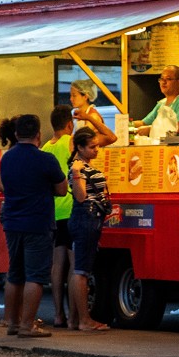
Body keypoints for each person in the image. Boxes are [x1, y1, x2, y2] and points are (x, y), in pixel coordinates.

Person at [0, 114, 67, 337]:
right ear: (38, 134)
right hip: (38, 222)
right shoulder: (46, 160)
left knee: (14, 274)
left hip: (13, 223)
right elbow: (62, 190)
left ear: (16, 134)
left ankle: (12, 322)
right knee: (35, 276)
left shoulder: (7, 158)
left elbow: (2, 185)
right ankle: (28, 325)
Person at [66, 126, 111, 332]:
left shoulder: (82, 166)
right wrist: (76, 173)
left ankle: (75, 319)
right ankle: (84, 320)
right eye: (92, 147)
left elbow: (110, 137)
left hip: (86, 218)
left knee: (80, 269)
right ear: (80, 148)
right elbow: (81, 196)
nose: (96, 150)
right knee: (81, 271)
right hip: (86, 218)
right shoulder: (78, 168)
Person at [43, 105, 75, 328]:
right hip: (71, 208)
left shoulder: (45, 148)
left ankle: (58, 314)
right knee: (75, 266)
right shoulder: (70, 142)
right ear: (69, 125)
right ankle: (75, 315)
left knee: (57, 265)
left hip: (53, 212)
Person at [133, 65, 179, 138]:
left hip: (177, 147)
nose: (163, 82)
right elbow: (143, 123)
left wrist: (151, 129)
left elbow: (178, 128)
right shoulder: (161, 104)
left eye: (168, 79)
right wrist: (126, 124)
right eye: (162, 79)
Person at [68, 79, 118, 146]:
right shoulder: (78, 115)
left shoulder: (93, 116)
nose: (71, 99)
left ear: (85, 96)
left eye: (74, 95)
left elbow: (82, 137)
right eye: (70, 95)